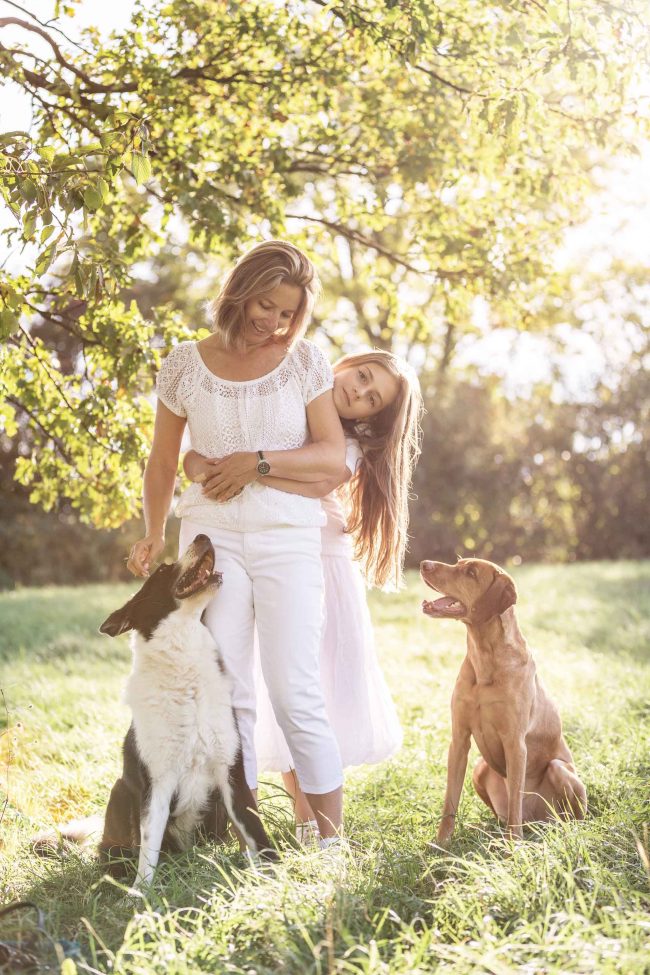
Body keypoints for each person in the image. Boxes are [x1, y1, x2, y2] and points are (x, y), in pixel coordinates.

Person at [127, 240, 347, 845]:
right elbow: (163, 461)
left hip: (287, 538)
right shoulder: (182, 364)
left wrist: (258, 463)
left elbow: (332, 455)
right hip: (211, 541)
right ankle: (231, 833)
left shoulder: (305, 363)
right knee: (226, 693)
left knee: (293, 686)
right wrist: (152, 531)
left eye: (286, 313)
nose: (273, 322)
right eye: (266, 305)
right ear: (240, 291)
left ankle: (331, 842)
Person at [185, 348, 423, 843]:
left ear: (370, 418)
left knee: (302, 691)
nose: (357, 392)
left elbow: (321, 477)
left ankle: (315, 824)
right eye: (361, 377)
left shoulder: (345, 448)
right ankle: (285, 821)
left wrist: (254, 468)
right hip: (262, 552)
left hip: (318, 566)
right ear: (346, 363)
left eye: (370, 398)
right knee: (261, 694)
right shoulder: (289, 395)